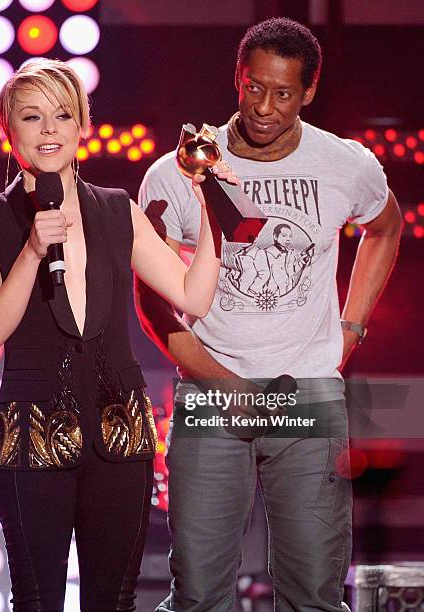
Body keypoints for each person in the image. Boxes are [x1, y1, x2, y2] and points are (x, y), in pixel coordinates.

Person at [136, 17, 402, 612]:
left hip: (306, 394)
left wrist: (351, 327)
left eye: (282, 93)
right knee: (199, 597)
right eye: (253, 87)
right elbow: (150, 297)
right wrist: (221, 382)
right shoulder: (177, 170)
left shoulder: (344, 164)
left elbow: (385, 228)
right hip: (211, 396)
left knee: (314, 594)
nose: (264, 106)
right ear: (237, 79)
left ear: (308, 93)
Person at [0, 58, 235, 611]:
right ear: (8, 129)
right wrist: (34, 251)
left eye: (62, 116)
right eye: (32, 118)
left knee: (114, 600)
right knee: (38, 600)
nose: (49, 131)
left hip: (120, 433)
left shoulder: (116, 210)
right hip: (32, 434)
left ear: (82, 124)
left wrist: (211, 208)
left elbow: (194, 296)